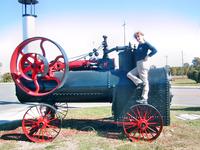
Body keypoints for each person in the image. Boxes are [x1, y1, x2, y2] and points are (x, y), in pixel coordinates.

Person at [127, 31, 157, 104]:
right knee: (129, 74)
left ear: (142, 36)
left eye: (138, 36)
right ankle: (139, 83)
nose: (137, 38)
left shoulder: (145, 44)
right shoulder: (139, 45)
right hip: (139, 64)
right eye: (136, 37)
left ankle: (144, 98)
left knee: (145, 81)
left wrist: (148, 56)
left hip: (143, 64)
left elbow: (154, 50)